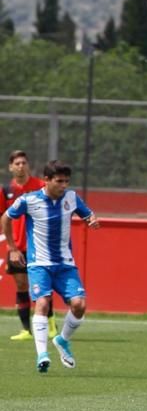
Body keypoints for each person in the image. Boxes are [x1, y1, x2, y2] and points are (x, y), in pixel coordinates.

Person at [1, 160, 99, 372]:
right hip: (39, 264)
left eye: (66, 181)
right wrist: (13, 248)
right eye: (59, 181)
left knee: (80, 305)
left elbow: (87, 214)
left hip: (65, 264)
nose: (64, 185)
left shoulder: (71, 198)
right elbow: (6, 218)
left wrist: (92, 220)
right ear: (46, 181)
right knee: (42, 304)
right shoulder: (29, 200)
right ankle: (42, 355)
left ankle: (62, 340)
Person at [2, 150, 56, 341]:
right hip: (17, 247)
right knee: (21, 285)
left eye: (23, 162)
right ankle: (26, 330)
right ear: (10, 167)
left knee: (42, 285)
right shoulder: (6, 191)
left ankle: (51, 326)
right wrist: (12, 247)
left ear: (28, 165)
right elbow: (4, 219)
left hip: (39, 246)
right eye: (16, 163)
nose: (20, 166)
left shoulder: (41, 186)